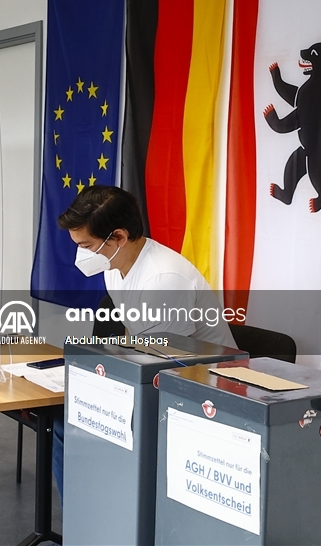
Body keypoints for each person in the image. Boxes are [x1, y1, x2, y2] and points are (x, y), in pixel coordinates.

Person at [51, 185, 236, 503]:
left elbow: (169, 367)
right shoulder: (115, 266)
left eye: (86, 245)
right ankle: (89, 521)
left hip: (203, 390)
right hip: (164, 374)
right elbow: (133, 341)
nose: (80, 255)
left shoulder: (162, 281)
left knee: (71, 425)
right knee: (66, 418)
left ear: (118, 237)